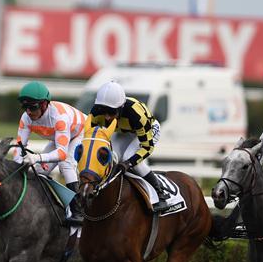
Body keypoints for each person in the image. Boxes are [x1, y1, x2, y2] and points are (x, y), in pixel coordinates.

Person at [88, 80, 172, 212]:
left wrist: (129, 163)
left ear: (121, 108)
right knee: (112, 157)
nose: (108, 117)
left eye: (111, 112)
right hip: (123, 131)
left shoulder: (136, 115)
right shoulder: (96, 112)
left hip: (147, 131)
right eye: (104, 111)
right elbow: (91, 139)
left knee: (131, 159)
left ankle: (161, 194)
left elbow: (147, 147)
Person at [13, 81, 87, 225]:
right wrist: (15, 167)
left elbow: (61, 154)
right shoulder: (26, 118)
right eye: (25, 107)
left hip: (81, 132)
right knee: (40, 171)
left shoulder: (59, 118)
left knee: (65, 164)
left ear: (44, 105)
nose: (28, 111)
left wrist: (36, 157)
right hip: (59, 136)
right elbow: (19, 147)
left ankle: (78, 211)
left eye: (32, 107)